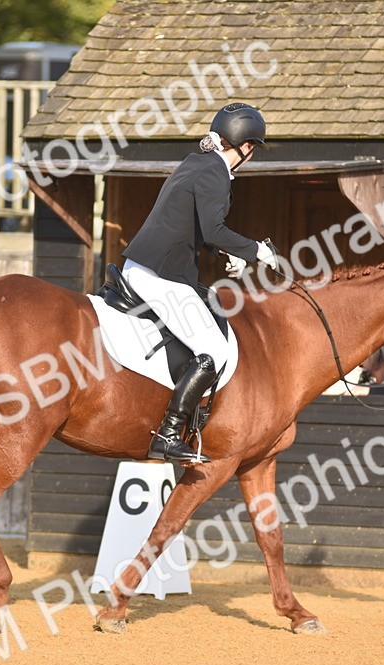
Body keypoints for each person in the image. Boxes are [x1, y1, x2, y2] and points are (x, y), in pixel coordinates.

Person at [121, 102, 276, 464]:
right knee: (215, 351)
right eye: (251, 150)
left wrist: (228, 253)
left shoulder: (195, 162)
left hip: (148, 267)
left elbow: (189, 227)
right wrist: (257, 251)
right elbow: (214, 228)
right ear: (245, 146)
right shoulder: (215, 173)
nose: (250, 157)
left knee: (212, 306)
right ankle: (169, 433)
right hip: (157, 275)